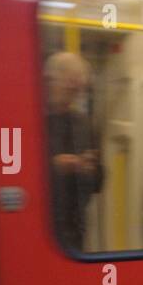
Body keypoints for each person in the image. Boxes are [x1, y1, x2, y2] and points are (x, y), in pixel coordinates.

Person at [44, 51, 104, 252]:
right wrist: (55, 166)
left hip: (75, 228)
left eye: (77, 90)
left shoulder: (84, 125)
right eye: (69, 87)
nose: (73, 96)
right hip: (40, 222)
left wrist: (91, 169)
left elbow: (99, 183)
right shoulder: (27, 120)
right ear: (49, 80)